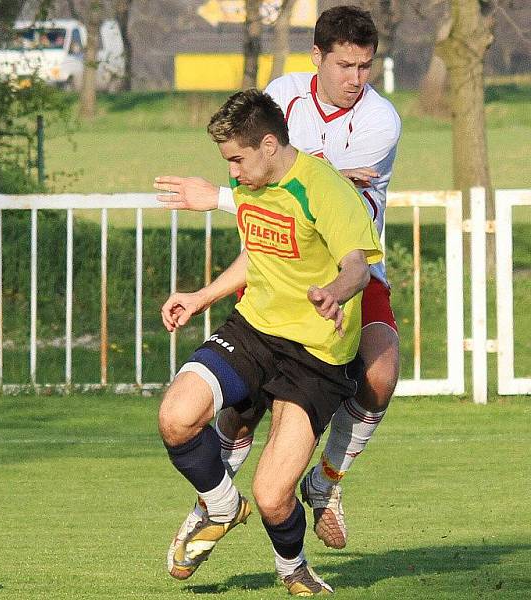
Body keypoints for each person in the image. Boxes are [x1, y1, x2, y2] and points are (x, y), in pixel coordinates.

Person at [156, 5, 401, 558]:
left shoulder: (381, 120)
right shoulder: (284, 92)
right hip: (275, 260)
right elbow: (273, 176)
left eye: (366, 66)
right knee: (238, 409)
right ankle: (213, 504)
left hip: (347, 263)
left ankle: (327, 484)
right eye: (345, 66)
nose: (356, 80)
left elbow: (312, 187)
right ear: (316, 57)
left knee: (381, 371)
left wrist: (215, 197)